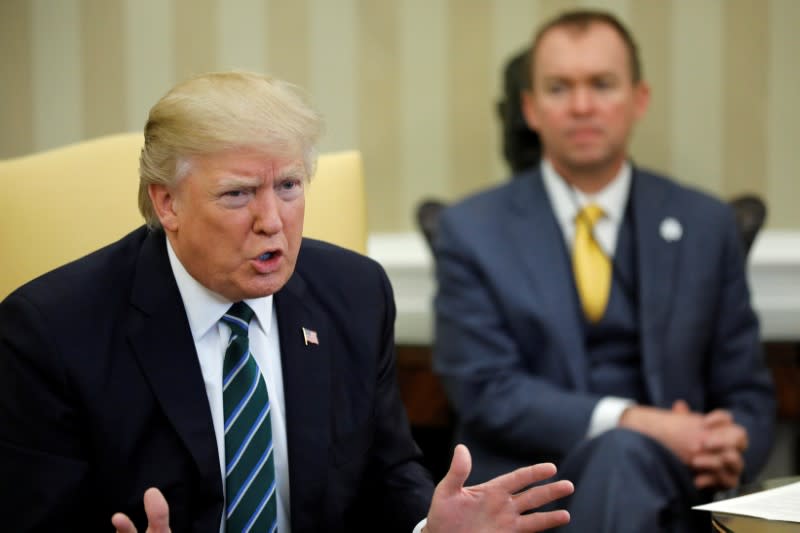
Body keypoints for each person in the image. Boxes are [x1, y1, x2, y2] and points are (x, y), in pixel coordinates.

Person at [0, 71, 573, 533]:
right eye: (237, 194)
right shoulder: (51, 330)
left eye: (289, 186)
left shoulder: (355, 294)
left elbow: (387, 470)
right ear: (167, 203)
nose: (272, 221)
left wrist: (429, 527)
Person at [433, 9, 775, 532]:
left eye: (602, 84)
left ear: (639, 99)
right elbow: (486, 390)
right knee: (620, 450)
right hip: (526, 493)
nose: (583, 106)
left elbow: (747, 393)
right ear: (529, 108)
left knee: (624, 461)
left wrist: (727, 444)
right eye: (559, 88)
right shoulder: (472, 230)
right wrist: (634, 421)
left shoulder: (705, 224)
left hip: (669, 488)